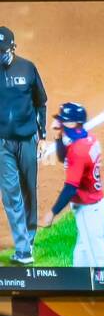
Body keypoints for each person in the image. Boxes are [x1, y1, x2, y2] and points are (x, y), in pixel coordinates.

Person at [37, 102, 104, 267]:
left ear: (73, 123)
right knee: (80, 260)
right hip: (98, 206)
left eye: (63, 121)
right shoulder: (88, 139)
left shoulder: (78, 150)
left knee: (101, 267)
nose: (59, 124)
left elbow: (71, 188)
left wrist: (52, 213)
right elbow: (63, 156)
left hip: (89, 212)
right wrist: (58, 137)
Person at [0, 27, 48, 264]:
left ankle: (29, 236)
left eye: (3, 51)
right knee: (11, 194)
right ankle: (23, 248)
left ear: (13, 48)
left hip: (27, 140)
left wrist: (43, 134)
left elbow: (41, 102)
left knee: (29, 188)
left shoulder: (27, 68)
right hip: (2, 144)